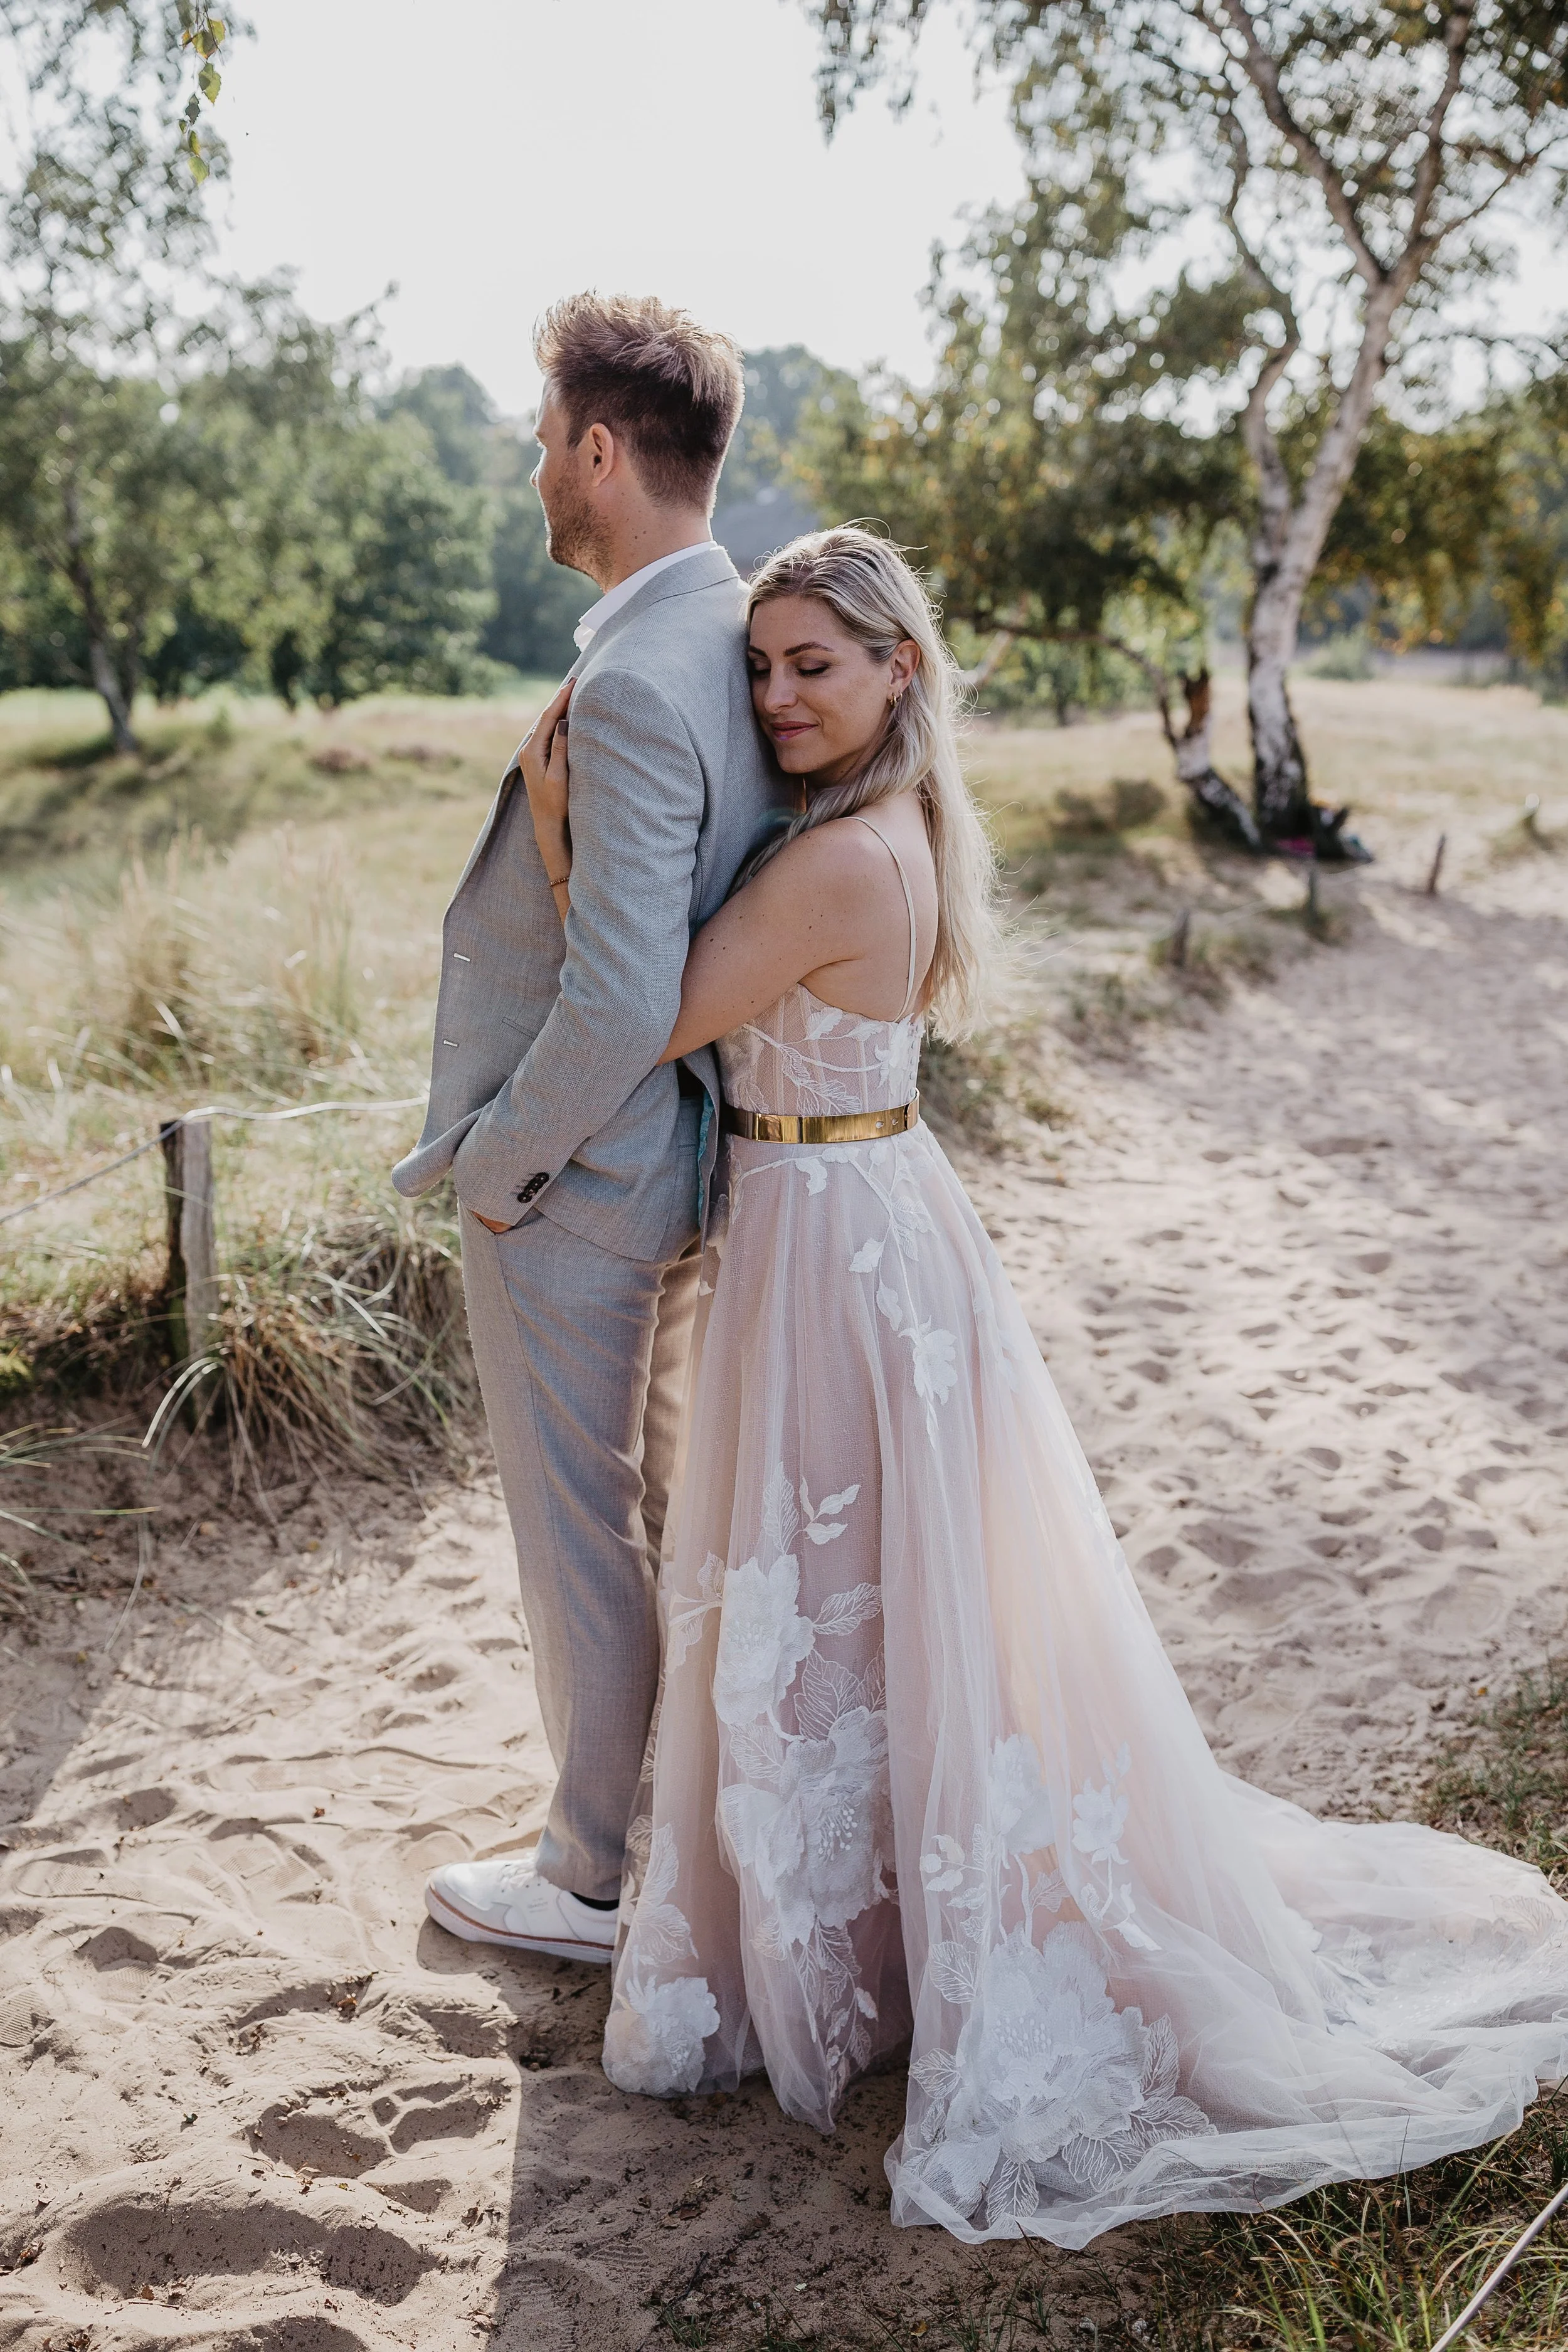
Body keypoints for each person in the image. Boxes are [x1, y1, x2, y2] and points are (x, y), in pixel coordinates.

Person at [507, 522, 1568, 2247]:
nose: (778, 696)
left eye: (814, 666)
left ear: (896, 669)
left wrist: (566, 841)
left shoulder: (841, 861)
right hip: (862, 1217)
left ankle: (858, 1949)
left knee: (841, 1584)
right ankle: (865, 1929)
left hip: (835, 1239)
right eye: (761, 667)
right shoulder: (896, 821)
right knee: (876, 1595)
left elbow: (646, 1013)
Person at [396, 294, 783, 1962]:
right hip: (683, 1160)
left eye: (544, 437)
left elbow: (624, 992)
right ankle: (647, 1829)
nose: (531, 464)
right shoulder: (740, 630)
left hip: (583, 1173)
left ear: (605, 452)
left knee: (578, 1534)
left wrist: (496, 1163)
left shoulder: (637, 674)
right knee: (651, 1516)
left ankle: (586, 1870)